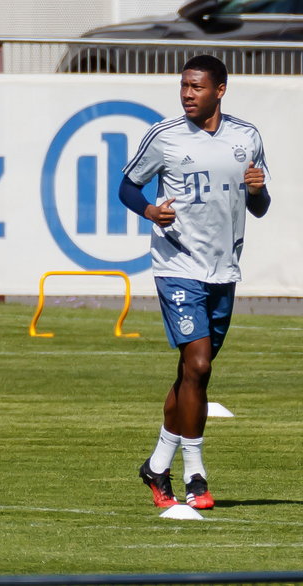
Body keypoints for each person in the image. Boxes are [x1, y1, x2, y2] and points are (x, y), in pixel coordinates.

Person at [119, 54, 270, 510]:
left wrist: (259, 190)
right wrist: (149, 210)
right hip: (177, 265)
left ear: (220, 90)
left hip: (224, 269)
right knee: (199, 365)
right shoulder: (164, 137)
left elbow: (260, 207)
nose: (187, 93)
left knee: (191, 375)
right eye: (184, 86)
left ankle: (157, 465)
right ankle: (195, 475)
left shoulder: (247, 138)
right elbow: (127, 186)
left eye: (197, 87)